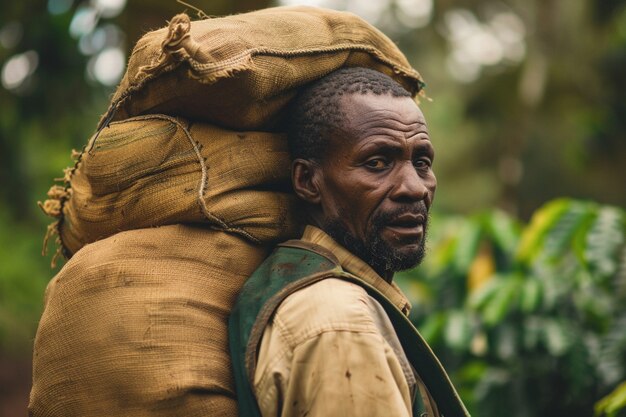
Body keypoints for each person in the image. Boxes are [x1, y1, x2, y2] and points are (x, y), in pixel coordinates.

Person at [229, 67, 470, 417]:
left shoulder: (321, 294)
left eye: (421, 162)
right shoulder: (340, 324)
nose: (414, 188)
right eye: (377, 162)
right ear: (308, 181)